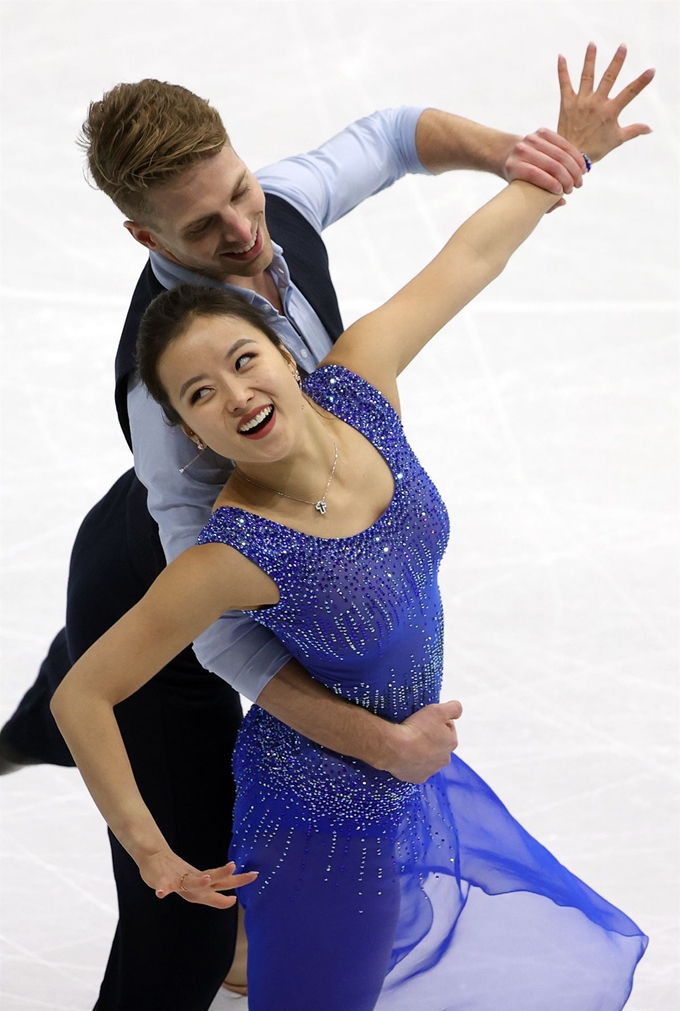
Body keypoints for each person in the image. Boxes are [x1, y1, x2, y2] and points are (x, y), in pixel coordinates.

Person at [50, 43, 652, 1011]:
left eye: (243, 194)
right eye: (202, 391)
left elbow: (433, 200)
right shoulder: (208, 513)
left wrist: (545, 157)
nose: (245, 229)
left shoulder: (351, 369)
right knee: (187, 938)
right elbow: (199, 635)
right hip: (243, 683)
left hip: (374, 749)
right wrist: (375, 753)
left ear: (290, 353)